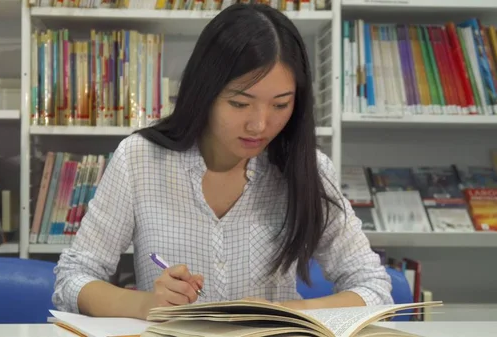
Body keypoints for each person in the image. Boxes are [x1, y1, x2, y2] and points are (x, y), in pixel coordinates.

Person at [52, 3, 393, 320]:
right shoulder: (140, 160)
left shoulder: (309, 170)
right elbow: (74, 278)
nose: (259, 125)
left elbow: (373, 287)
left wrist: (285, 311)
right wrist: (145, 304)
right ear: (205, 93)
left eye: (280, 105)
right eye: (240, 104)